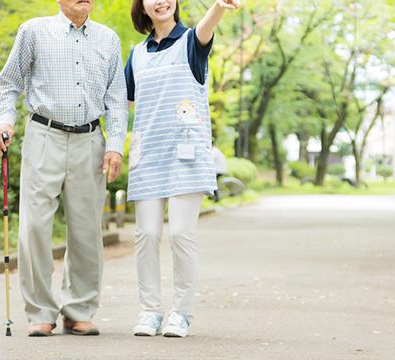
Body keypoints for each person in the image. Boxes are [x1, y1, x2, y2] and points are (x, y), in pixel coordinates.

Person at [0, 0, 127, 337]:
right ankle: (40, 310)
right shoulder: (34, 31)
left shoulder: (108, 39)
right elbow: (8, 84)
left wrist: (115, 146)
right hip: (44, 134)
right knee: (34, 226)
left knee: (86, 230)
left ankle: (79, 309)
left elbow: (116, 98)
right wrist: (5, 122)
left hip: (90, 139)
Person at [125, 0, 240, 338]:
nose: (160, 2)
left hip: (186, 156)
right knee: (146, 235)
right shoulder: (137, 54)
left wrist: (219, 6)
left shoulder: (191, 41)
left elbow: (206, 28)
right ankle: (149, 311)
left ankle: (181, 313)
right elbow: (124, 101)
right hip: (148, 157)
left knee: (180, 233)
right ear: (143, 8)